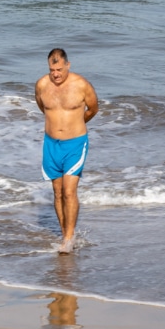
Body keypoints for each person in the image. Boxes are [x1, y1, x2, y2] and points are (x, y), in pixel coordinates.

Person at [35, 48, 98, 254]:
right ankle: (65, 235)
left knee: (69, 191)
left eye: (59, 69)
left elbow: (93, 109)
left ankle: (69, 239)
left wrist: (76, 123)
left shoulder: (81, 85)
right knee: (57, 192)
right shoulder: (42, 85)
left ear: (68, 65)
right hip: (51, 144)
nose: (56, 74)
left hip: (75, 143)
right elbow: (43, 108)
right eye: (52, 70)